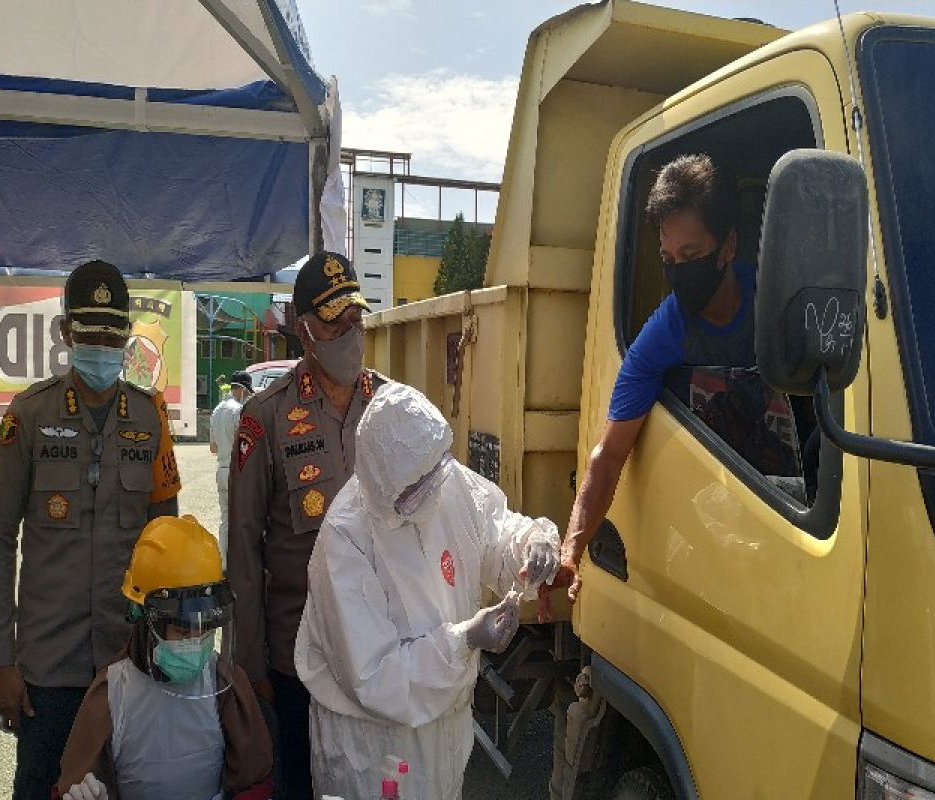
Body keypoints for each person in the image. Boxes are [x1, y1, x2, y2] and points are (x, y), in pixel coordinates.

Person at [0, 259, 183, 799]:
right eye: (90, 332)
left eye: (113, 333)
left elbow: (168, 543)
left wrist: (170, 650)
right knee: (42, 788)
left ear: (127, 336)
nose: (102, 345)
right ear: (66, 331)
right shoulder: (29, 416)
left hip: (127, 661)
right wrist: (1, 660)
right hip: (47, 668)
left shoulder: (150, 417)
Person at [294, 383, 561, 800]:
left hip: (444, 731)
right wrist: (465, 639)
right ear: (382, 486)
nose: (429, 491)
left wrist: (531, 544)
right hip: (373, 748)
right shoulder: (345, 538)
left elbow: (494, 531)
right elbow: (375, 678)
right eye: (411, 490)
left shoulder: (439, 476)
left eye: (435, 472)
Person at [551, 153, 750, 607]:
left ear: (729, 246)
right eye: (668, 257)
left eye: (692, 255)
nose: (678, 270)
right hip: (718, 539)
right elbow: (609, 455)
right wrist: (571, 550)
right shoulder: (665, 334)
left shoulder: (776, 307)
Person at [228, 250, 386, 798]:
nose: (350, 331)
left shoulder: (390, 405)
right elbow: (244, 550)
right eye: (334, 320)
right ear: (305, 331)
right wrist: (248, 666)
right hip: (296, 660)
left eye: (356, 316)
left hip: (378, 651)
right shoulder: (266, 417)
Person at [54, 515, 273, 800]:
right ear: (147, 621)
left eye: (205, 630)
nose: (195, 642)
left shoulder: (224, 685)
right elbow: (72, 784)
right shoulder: (111, 694)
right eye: (183, 630)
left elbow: (255, 783)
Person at [209, 370, 252, 564]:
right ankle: (240, 563)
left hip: (221, 469)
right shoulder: (238, 410)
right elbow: (242, 443)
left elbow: (213, 447)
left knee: (225, 519)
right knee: (242, 518)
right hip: (237, 471)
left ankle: (224, 563)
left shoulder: (217, 410)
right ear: (242, 389)